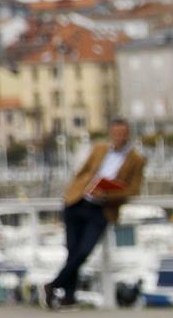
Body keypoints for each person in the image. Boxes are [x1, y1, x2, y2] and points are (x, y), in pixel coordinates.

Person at [45, 118, 144, 308]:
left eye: (122, 133)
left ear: (128, 134)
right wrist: (78, 190)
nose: (119, 137)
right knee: (72, 250)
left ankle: (54, 285)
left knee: (83, 251)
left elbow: (133, 190)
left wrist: (107, 194)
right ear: (111, 133)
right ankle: (68, 296)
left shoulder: (136, 160)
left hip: (101, 210)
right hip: (77, 202)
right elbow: (81, 173)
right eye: (115, 133)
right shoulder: (99, 149)